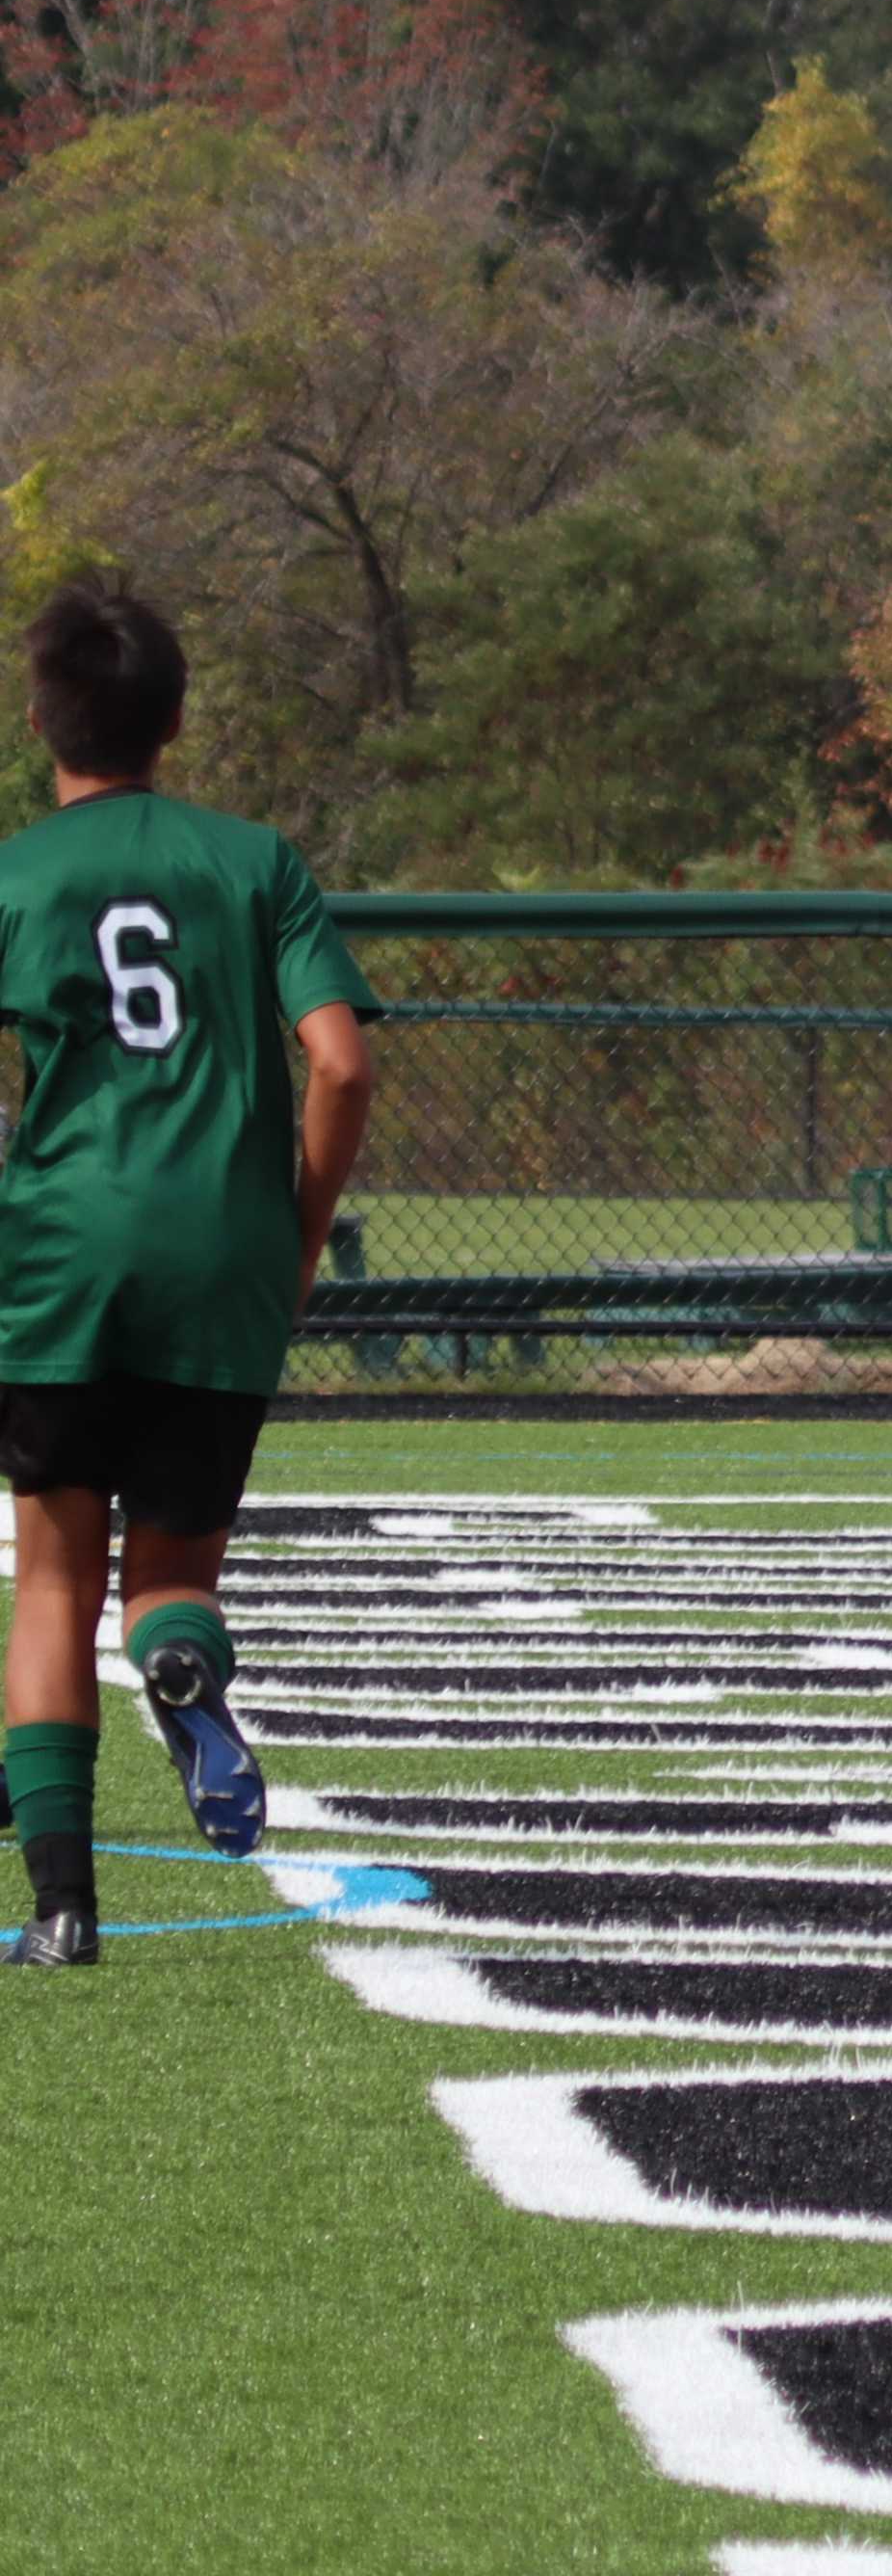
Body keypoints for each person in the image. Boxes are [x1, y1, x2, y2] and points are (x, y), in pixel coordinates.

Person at [0, 581, 378, 1970]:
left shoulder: (15, 874)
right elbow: (341, 1063)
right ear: (175, 721)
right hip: (223, 1248)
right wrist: (295, 1232)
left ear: (42, 720)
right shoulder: (257, 861)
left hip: (61, 1251)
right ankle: (182, 1668)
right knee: (171, 1570)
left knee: (53, 1580)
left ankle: (63, 1910)